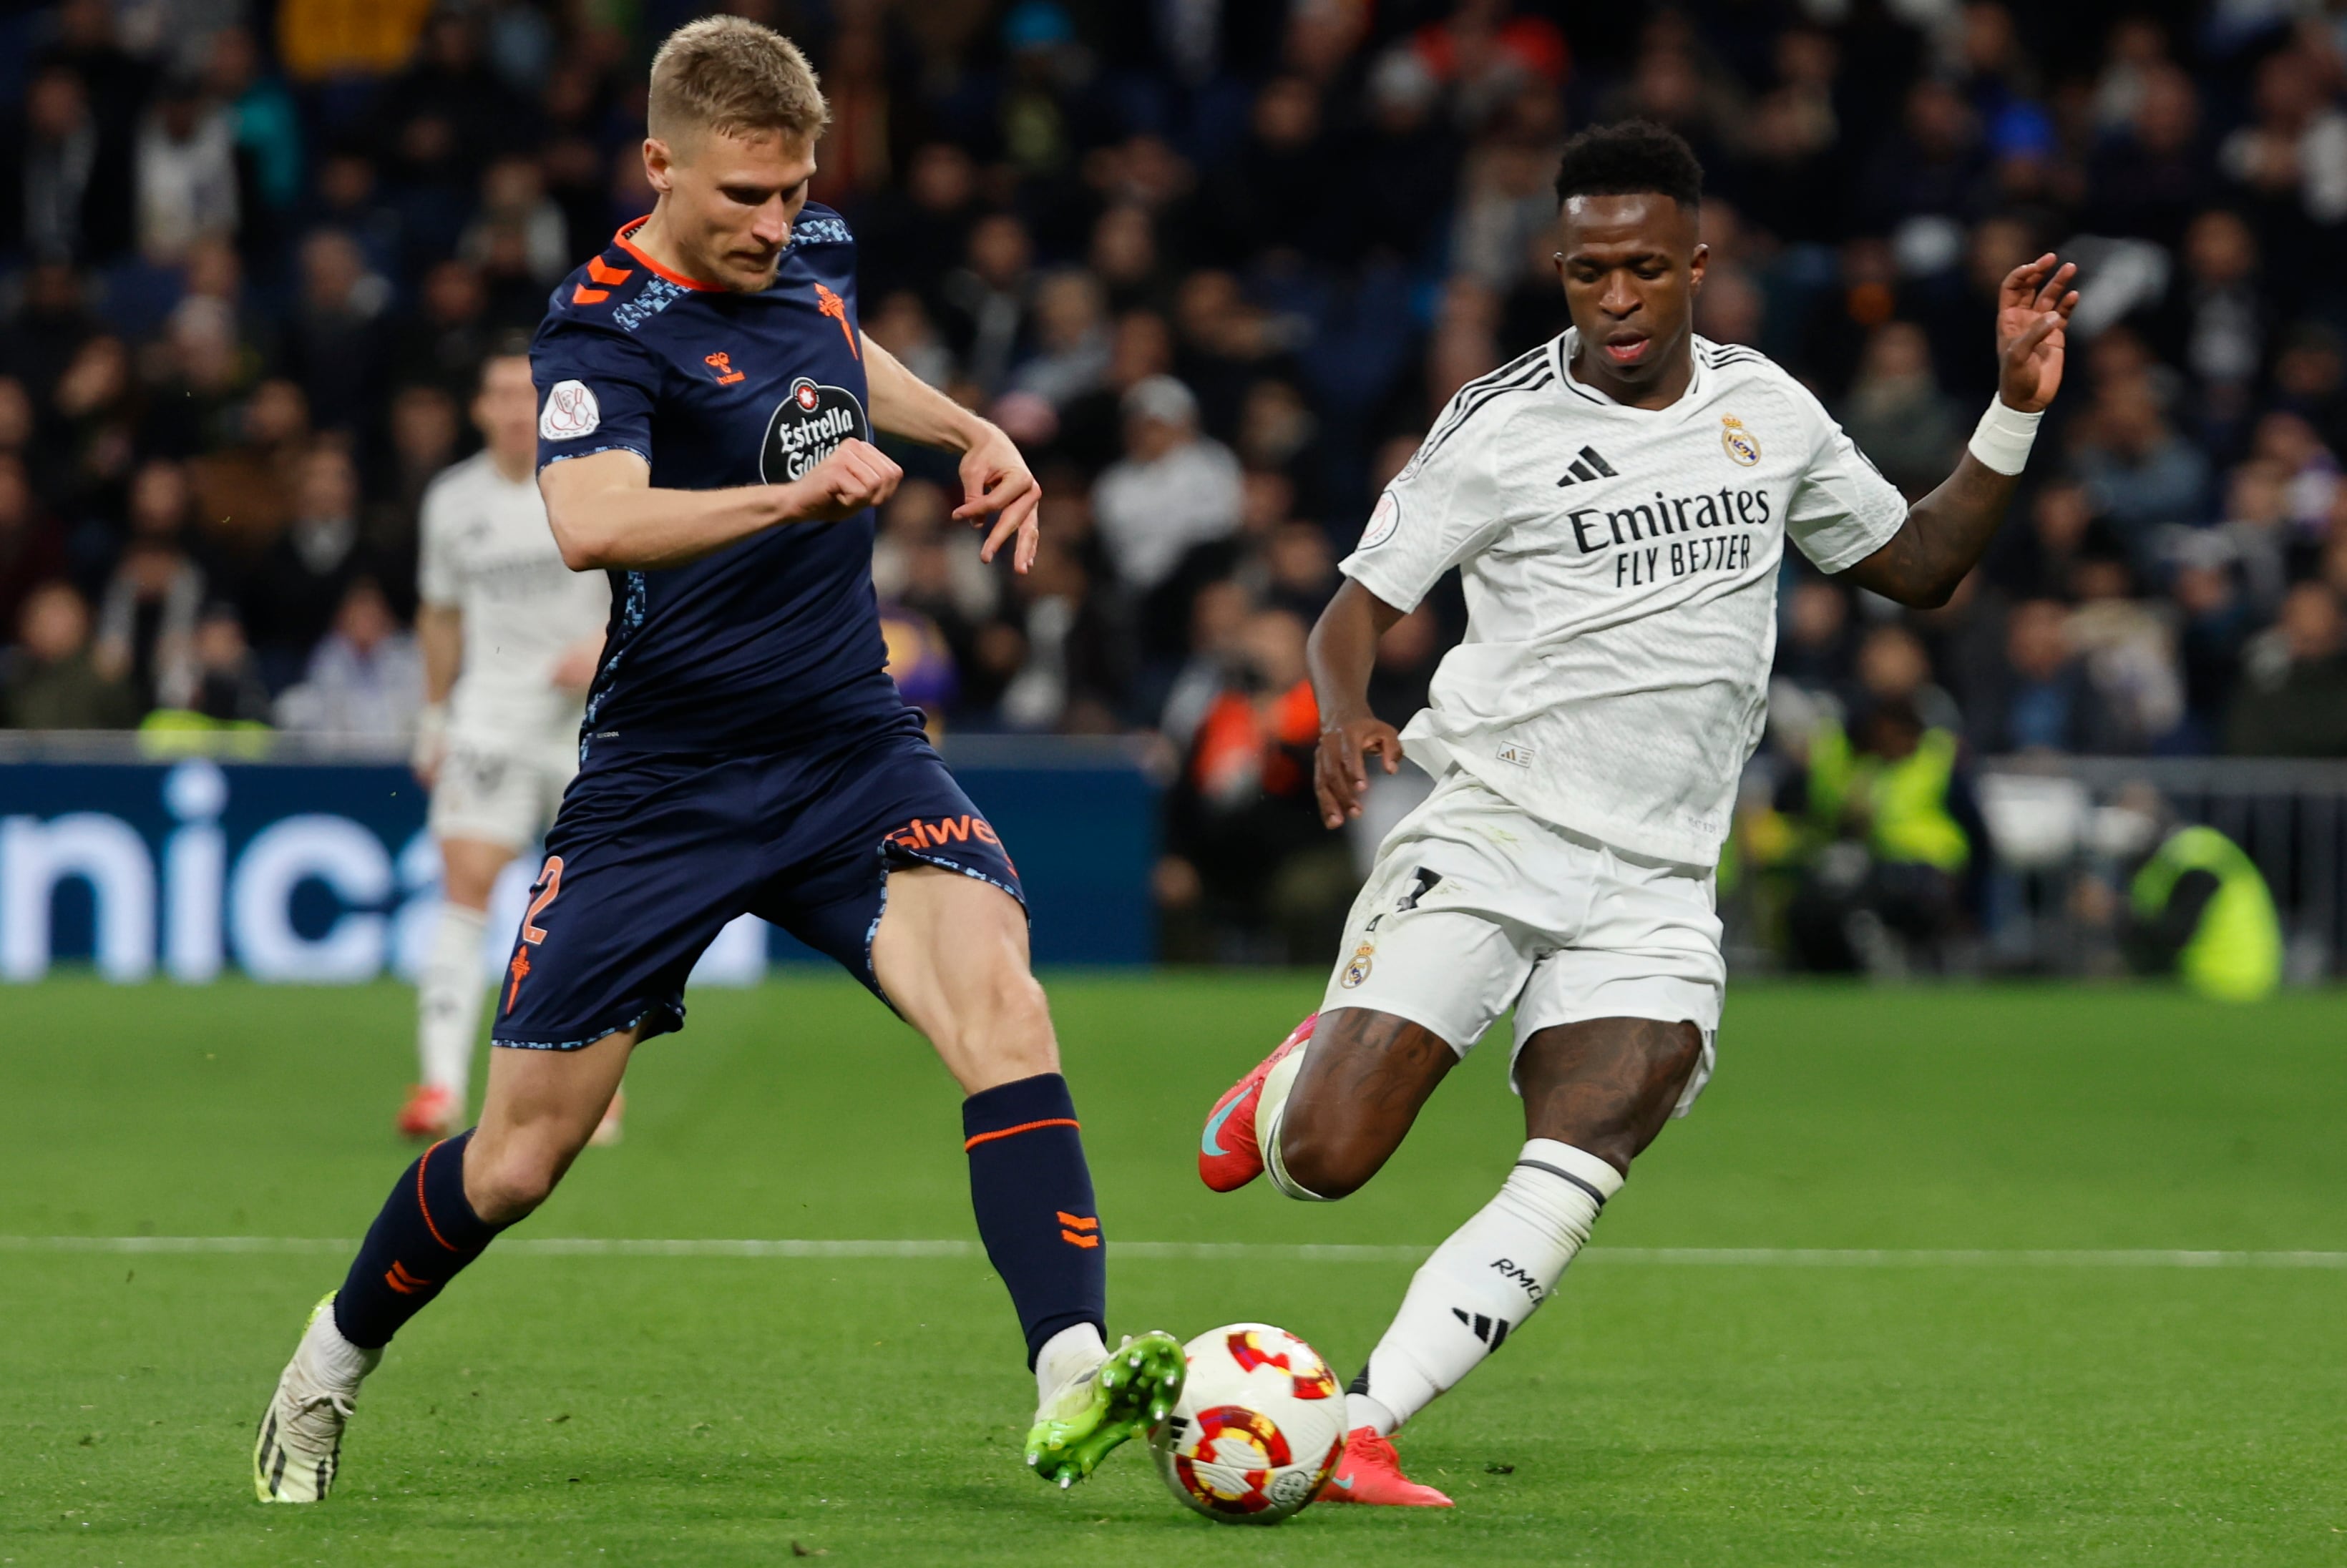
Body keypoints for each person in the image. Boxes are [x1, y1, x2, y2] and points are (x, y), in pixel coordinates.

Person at [250, 17, 1181, 1506]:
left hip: (846, 750)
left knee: (1002, 1003)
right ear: (657, 165)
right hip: (661, 787)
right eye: (740, 197)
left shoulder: (810, 242)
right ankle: (328, 1361)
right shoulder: (598, 329)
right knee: (514, 1164)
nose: (772, 222)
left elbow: (836, 350)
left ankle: (1070, 1367)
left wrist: (965, 428)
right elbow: (591, 522)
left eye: (792, 189)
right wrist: (789, 499)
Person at [1193, 121, 2077, 1506]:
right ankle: (1296, 1079)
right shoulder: (1495, 423)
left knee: (1593, 1131)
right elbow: (1349, 611)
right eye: (1588, 271)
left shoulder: (1766, 411)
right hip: (1493, 827)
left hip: (1659, 874)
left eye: (1644, 270)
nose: (1615, 298)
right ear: (1557, 267)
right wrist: (1347, 709)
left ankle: (1365, 1417)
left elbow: (1915, 564)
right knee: (1325, 1163)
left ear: (1695, 268)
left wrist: (2011, 407)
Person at [396, 344, 612, 1142]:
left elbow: (656, 578)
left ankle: (592, 1089)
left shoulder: (597, 476)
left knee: (595, 903)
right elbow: (440, 614)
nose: (516, 408)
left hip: (592, 720)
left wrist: (604, 640)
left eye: (529, 394)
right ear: (480, 409)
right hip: (490, 718)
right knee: (466, 886)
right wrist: (433, 713)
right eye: (499, 394)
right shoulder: (451, 500)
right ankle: (442, 1088)